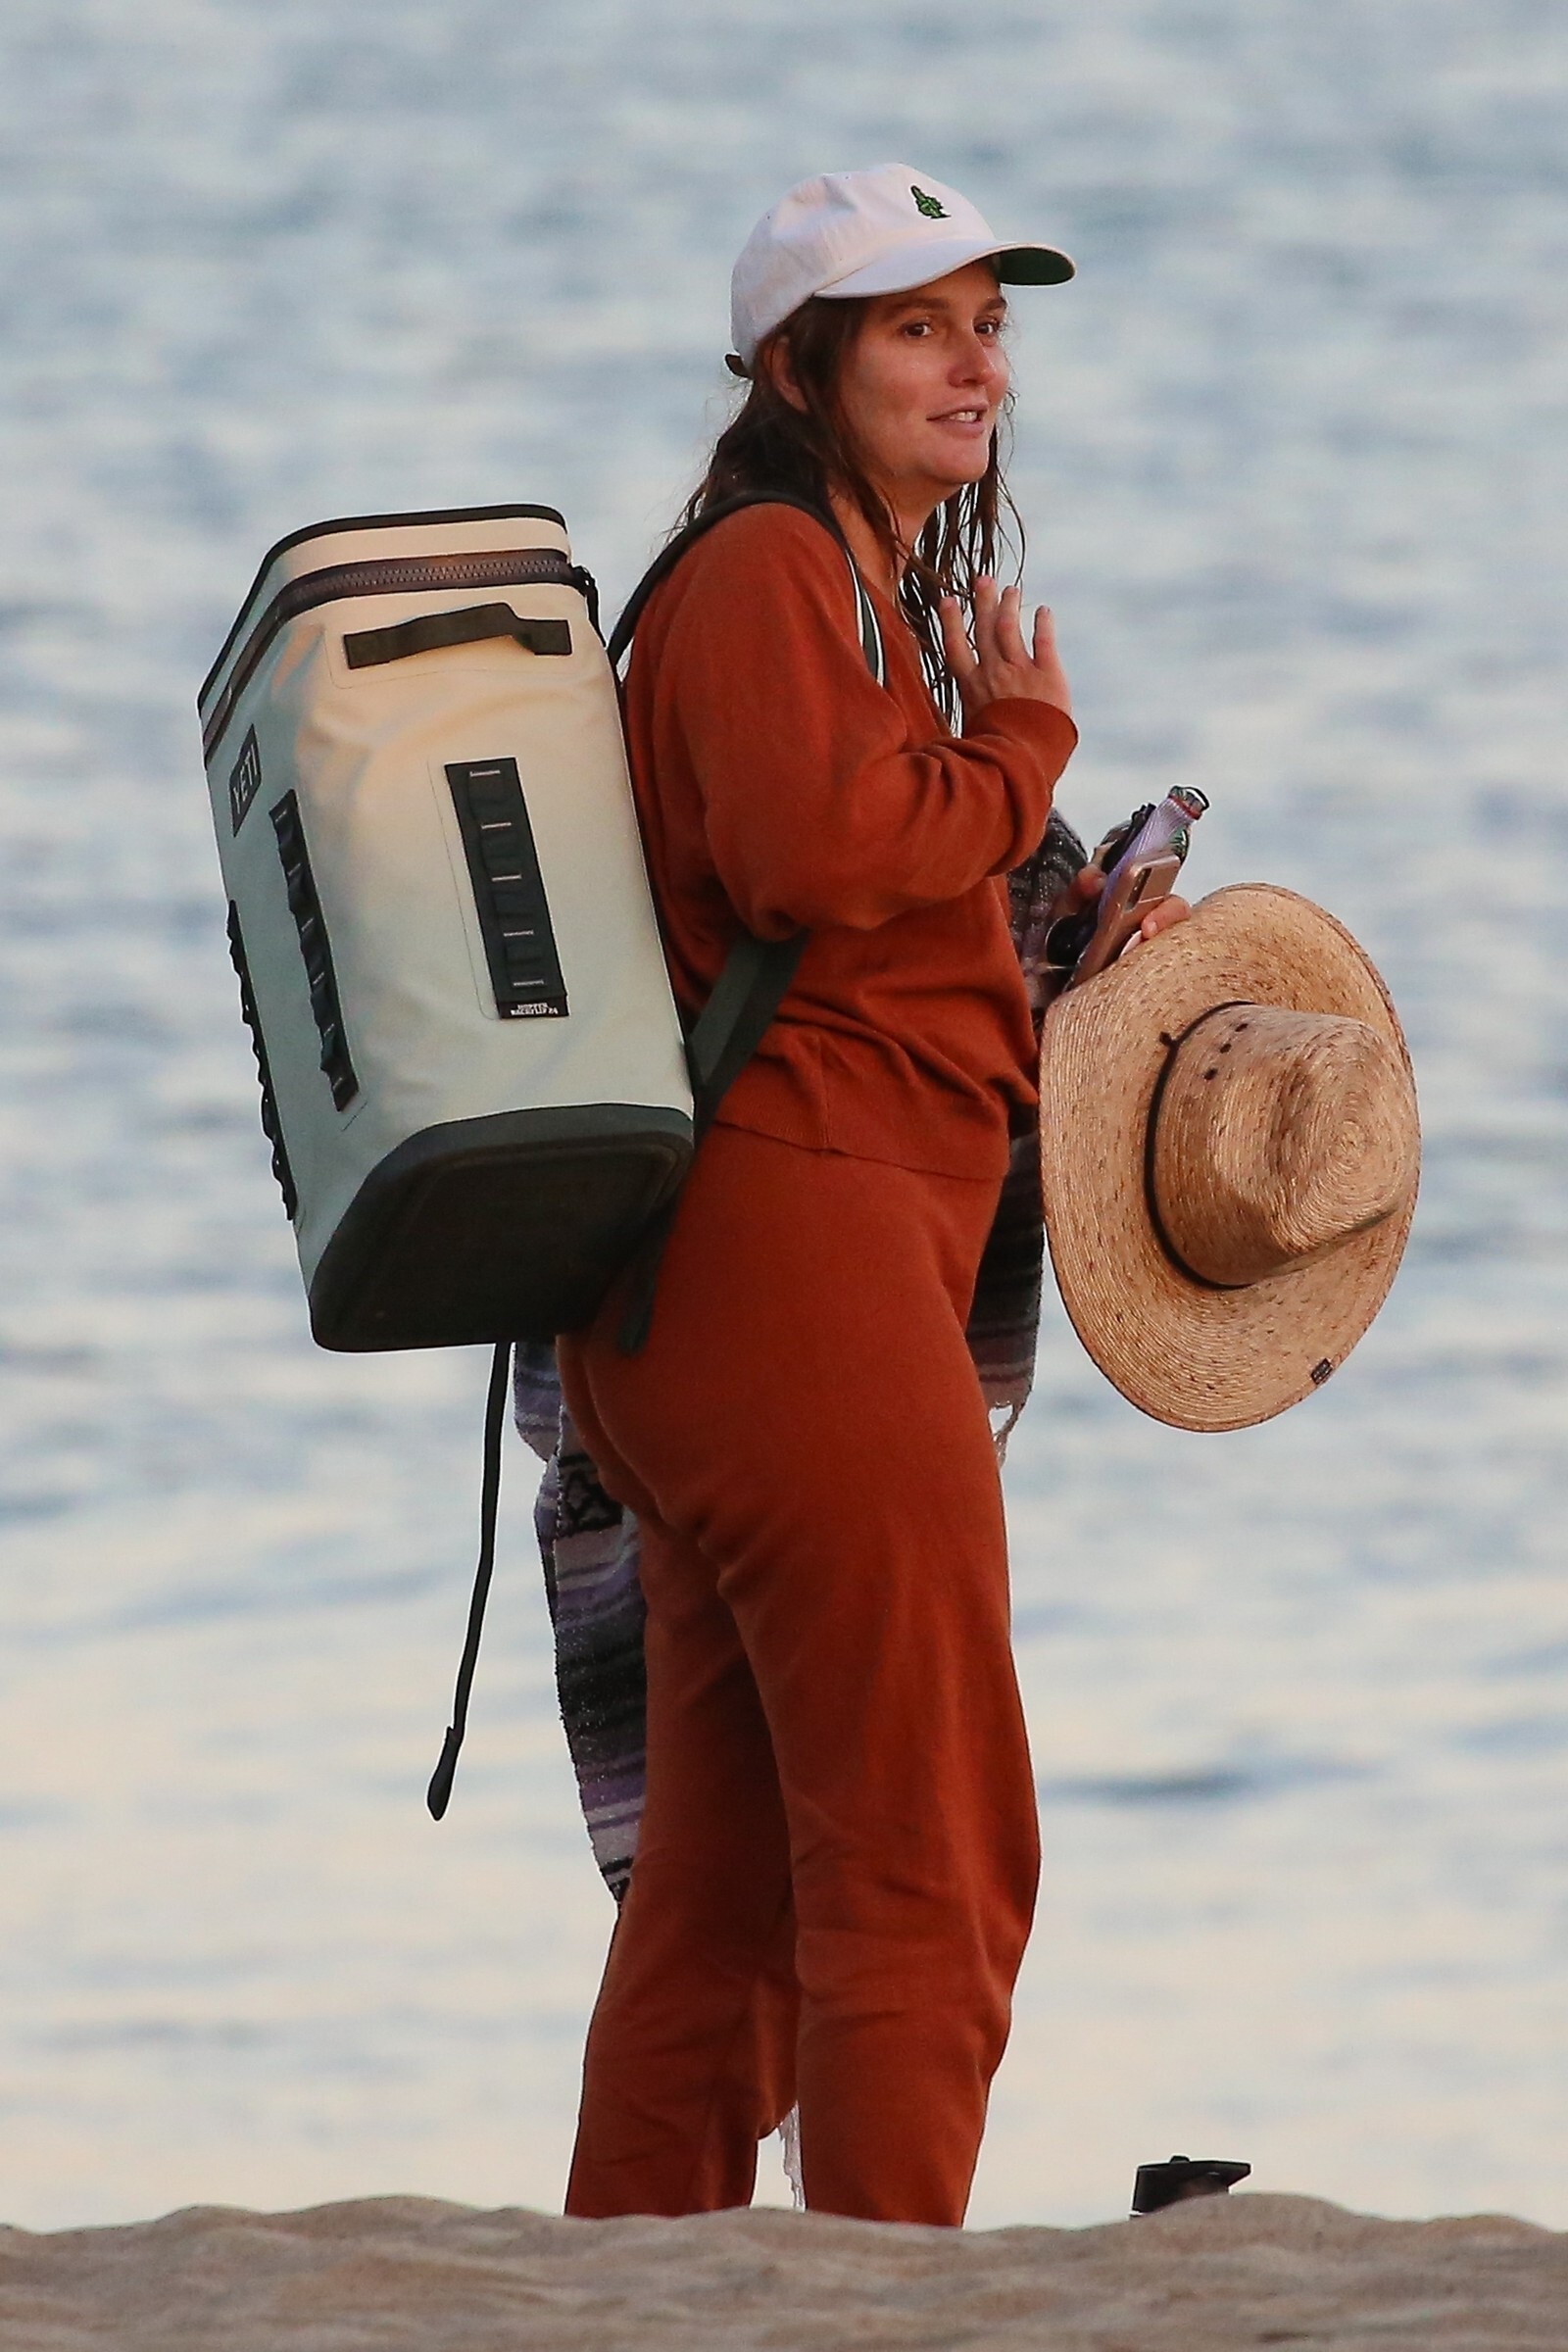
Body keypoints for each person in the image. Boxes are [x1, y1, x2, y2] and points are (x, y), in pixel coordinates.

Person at [553, 164, 1187, 2229]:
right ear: (794, 369)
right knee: (934, 1850)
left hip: (752, 1283)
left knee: (728, 1905)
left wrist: (1060, 936)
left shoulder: (849, 594)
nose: (975, 361)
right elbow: (817, 853)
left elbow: (854, 922)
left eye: (988, 321)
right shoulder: (762, 572)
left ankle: (636, 2296)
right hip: (787, 1267)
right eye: (917, 325)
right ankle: (892, 2300)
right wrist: (1022, 749)